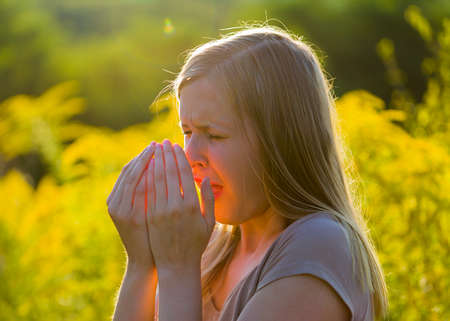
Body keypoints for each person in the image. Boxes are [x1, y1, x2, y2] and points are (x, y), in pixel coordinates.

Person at [106, 23, 389, 321]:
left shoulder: (318, 248)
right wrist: (142, 264)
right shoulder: (212, 245)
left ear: (281, 142)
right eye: (187, 132)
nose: (190, 156)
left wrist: (177, 269)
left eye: (214, 135)